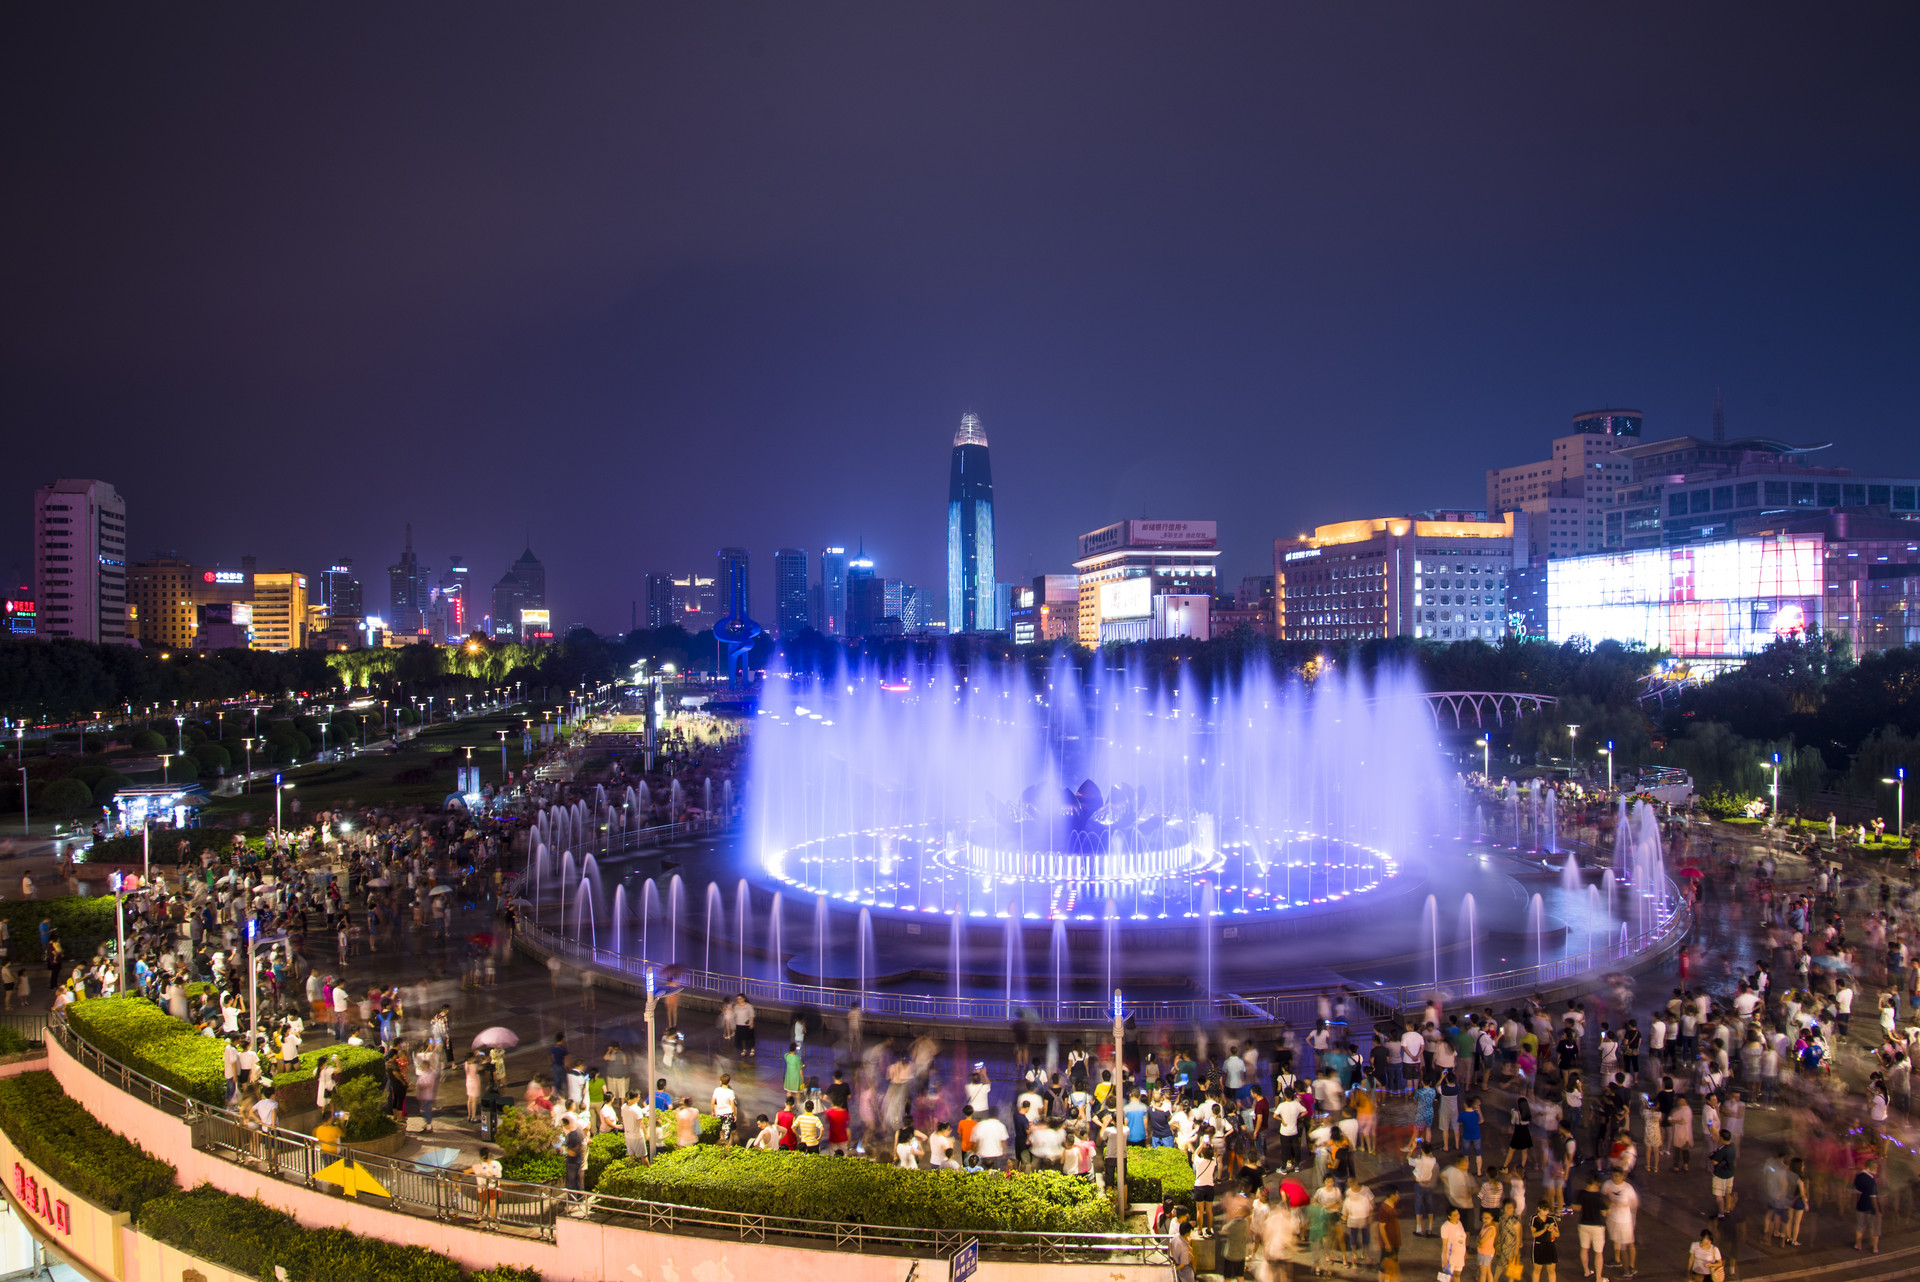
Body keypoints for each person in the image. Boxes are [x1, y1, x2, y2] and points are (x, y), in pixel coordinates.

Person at [1604, 1169, 1637, 1279]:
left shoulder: (1628, 1188)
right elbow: (1603, 1197)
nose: (1615, 1178)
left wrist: (1632, 1220)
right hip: (1613, 1219)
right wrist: (1609, 1204)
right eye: (1614, 1175)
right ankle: (1617, 1260)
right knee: (1615, 1240)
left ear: (1623, 1176)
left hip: (1625, 1221)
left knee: (1628, 1244)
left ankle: (1630, 1268)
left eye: (1618, 1176)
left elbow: (1635, 1204)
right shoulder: (1608, 1185)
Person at [1574, 1173, 1607, 1281]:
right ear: (1597, 1183)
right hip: (1597, 1226)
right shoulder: (1599, 1196)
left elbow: (1578, 1208)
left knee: (1584, 1248)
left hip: (1583, 1224)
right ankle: (1598, 1278)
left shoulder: (1581, 1193)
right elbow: (1604, 1213)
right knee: (1598, 1252)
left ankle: (1586, 1271)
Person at [1854, 1157, 1881, 1254]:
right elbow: (1873, 1197)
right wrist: (1877, 1211)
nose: (1876, 1169)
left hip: (1861, 1205)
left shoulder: (1859, 1176)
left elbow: (1857, 1192)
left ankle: (1858, 1244)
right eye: (1875, 1167)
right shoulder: (1871, 1180)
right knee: (1874, 1227)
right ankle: (1875, 1247)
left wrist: (1857, 1203)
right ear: (1869, 1168)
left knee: (1860, 1226)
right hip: (1871, 1207)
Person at [469, 1147, 503, 1223]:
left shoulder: (479, 1166)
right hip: (495, 1186)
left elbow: (468, 1171)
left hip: (483, 1187)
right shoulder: (497, 1164)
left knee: (483, 1201)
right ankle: (493, 1218)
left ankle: (479, 1216)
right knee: (493, 1203)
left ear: (481, 1156)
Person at [1529, 1202, 1559, 1282]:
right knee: (1537, 1270)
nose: (1546, 1212)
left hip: (1550, 1246)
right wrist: (1544, 1229)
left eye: (1547, 1210)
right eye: (1544, 1210)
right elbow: (1534, 1234)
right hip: (1539, 1246)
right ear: (1539, 1208)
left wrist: (1552, 1230)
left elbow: (1557, 1234)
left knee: (1551, 1270)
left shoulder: (1551, 1219)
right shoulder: (1534, 1218)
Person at [1439, 1207, 1468, 1282]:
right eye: (1454, 1215)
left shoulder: (1459, 1223)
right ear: (1449, 1216)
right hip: (1450, 1256)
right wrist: (1444, 1258)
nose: (1457, 1216)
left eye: (1458, 1214)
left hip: (1459, 1256)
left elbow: (1463, 1239)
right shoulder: (1445, 1227)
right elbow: (1444, 1244)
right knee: (1448, 1278)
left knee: (1457, 1275)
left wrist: (1465, 1253)